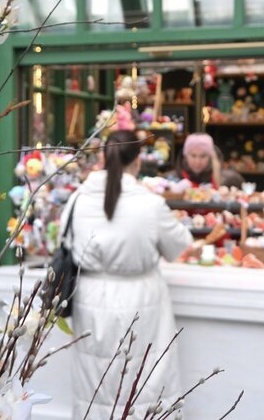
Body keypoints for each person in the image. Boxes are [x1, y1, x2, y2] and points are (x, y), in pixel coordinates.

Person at [64, 129, 193, 419]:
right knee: (144, 381)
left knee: (94, 383)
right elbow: (178, 244)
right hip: (142, 300)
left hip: (90, 297)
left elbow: (65, 243)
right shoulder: (149, 204)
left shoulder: (78, 200)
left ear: (103, 157)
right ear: (137, 160)